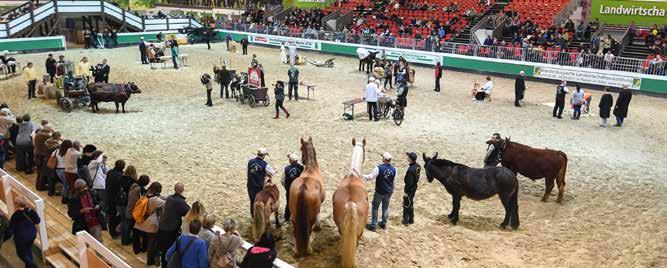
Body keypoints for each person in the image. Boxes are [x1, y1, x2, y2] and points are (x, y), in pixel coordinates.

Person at [158, 182, 191, 268]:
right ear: (182, 190)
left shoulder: (170, 198)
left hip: (162, 227)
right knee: (169, 251)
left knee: (164, 251)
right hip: (170, 231)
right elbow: (189, 212)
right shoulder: (180, 202)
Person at [133, 181, 165, 266]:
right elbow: (166, 203)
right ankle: (150, 261)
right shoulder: (155, 200)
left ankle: (142, 249)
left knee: (145, 238)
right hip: (150, 225)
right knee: (152, 243)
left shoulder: (145, 194)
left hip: (141, 222)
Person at [364, 152, 397, 231]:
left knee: (375, 207)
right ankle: (383, 223)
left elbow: (370, 177)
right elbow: (394, 182)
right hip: (388, 192)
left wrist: (361, 175)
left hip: (379, 191)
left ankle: (373, 225)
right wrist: (392, 191)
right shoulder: (394, 169)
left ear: (384, 159)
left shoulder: (378, 168)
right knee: (385, 208)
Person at [5, 196, 40, 268]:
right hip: (32, 234)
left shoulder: (15, 215)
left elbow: (10, 231)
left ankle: (34, 266)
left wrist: (4, 238)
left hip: (21, 238)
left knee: (21, 254)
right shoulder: (30, 211)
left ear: (17, 205)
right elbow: (37, 221)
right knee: (28, 250)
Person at [247, 148, 275, 216]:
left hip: (250, 185)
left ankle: (253, 215)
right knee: (260, 201)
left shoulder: (250, 161)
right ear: (264, 155)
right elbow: (272, 173)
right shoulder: (265, 164)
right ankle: (260, 215)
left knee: (252, 201)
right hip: (259, 186)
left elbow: (247, 173)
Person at [128, 175, 150, 253]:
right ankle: (143, 248)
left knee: (135, 232)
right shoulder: (140, 190)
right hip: (136, 213)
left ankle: (136, 249)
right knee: (141, 232)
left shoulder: (133, 186)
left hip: (130, 210)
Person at [104, 159, 125, 238]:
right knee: (114, 216)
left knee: (111, 215)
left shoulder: (110, 172)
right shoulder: (120, 175)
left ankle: (112, 231)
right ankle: (113, 232)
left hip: (108, 196)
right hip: (114, 199)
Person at [282, 153, 303, 221]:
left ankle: (287, 216)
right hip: (299, 188)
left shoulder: (286, 168)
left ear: (290, 160)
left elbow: (282, 180)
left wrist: (286, 187)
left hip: (290, 188)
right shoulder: (302, 167)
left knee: (288, 202)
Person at [402, 152, 420, 225]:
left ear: (410, 159)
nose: (407, 158)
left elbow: (409, 183)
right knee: (411, 203)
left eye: (408, 157)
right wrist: (408, 154)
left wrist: (405, 192)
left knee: (406, 204)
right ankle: (411, 219)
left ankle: (406, 221)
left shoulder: (410, 170)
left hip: (410, 189)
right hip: (414, 187)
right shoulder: (418, 166)